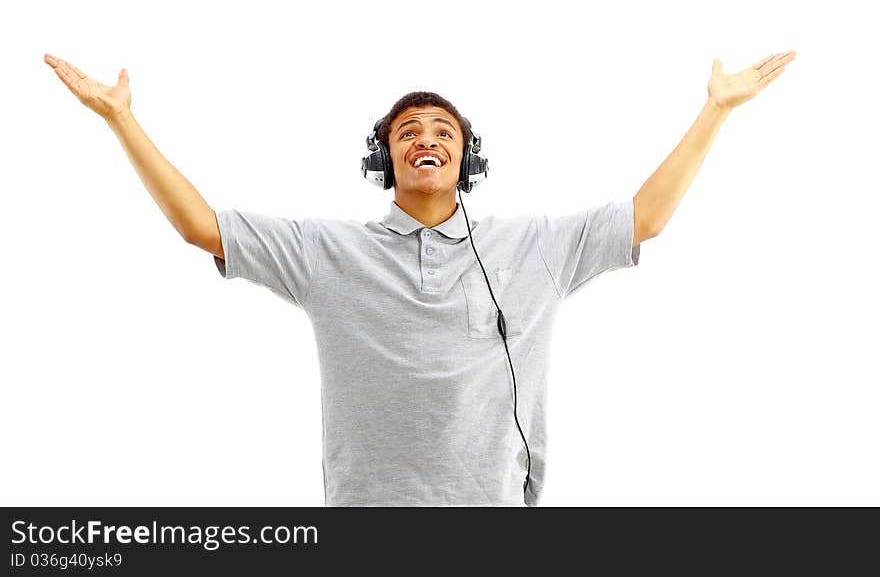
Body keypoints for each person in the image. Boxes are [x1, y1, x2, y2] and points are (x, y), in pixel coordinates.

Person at [43, 50, 797, 506]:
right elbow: (200, 226)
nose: (426, 140)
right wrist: (120, 119)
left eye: (444, 133)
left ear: (467, 159)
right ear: (387, 161)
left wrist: (716, 111)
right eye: (408, 133)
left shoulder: (534, 245)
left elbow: (646, 218)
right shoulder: (325, 254)